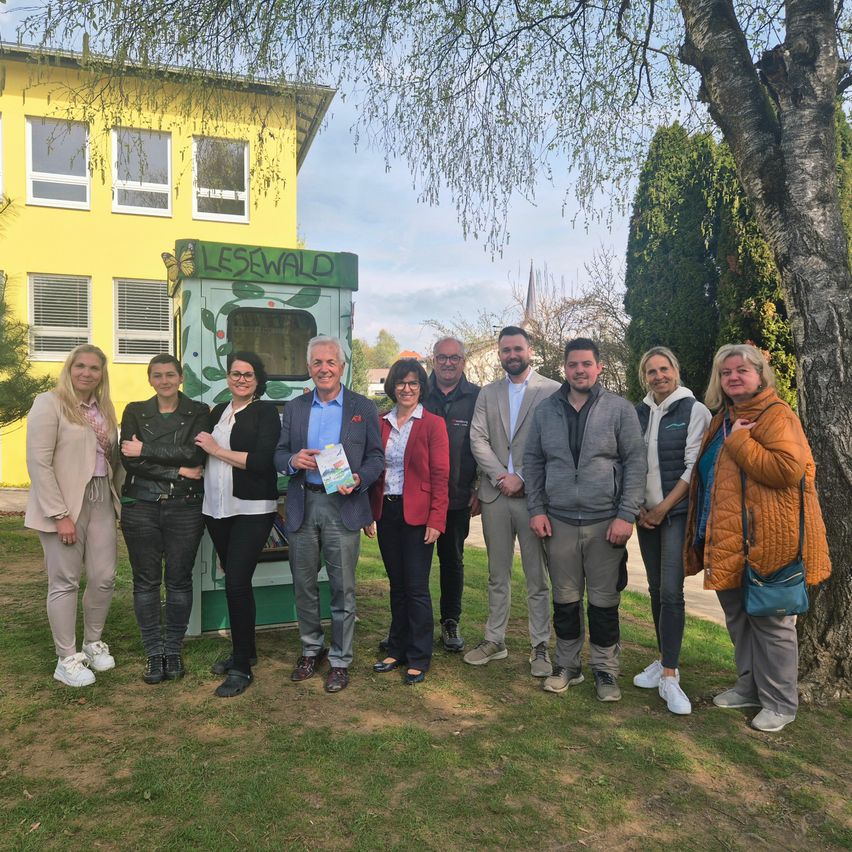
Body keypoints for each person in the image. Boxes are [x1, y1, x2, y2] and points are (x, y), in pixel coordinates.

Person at [684, 343, 831, 732]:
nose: (733, 377)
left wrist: (741, 442)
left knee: (773, 624)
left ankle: (781, 703)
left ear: (760, 375)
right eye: (726, 372)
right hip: (727, 539)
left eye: (741, 370)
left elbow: (787, 470)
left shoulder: (777, 415)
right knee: (739, 619)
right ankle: (749, 687)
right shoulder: (724, 418)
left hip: (768, 540)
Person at [525, 338, 646, 702]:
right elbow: (533, 462)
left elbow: (635, 462)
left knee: (604, 601)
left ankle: (605, 669)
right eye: (573, 364)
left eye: (586, 364)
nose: (580, 370)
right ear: (565, 368)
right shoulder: (546, 411)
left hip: (605, 522)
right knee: (565, 600)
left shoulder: (619, 410)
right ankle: (567, 665)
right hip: (559, 520)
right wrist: (536, 509)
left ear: (599, 367)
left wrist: (626, 515)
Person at [274, 336, 384, 694]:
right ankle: (311, 649)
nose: (324, 368)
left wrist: (360, 478)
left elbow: (376, 458)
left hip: (343, 506)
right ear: (309, 368)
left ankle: (340, 659)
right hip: (303, 503)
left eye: (330, 362)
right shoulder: (295, 408)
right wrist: (293, 460)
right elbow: (279, 454)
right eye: (317, 363)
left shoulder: (363, 407)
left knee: (343, 588)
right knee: (304, 584)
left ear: (342, 367)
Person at [25, 344, 123, 687]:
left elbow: (113, 460)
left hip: (101, 499)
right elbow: (39, 462)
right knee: (65, 581)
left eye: (94, 368)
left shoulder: (104, 408)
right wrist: (59, 514)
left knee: (104, 576)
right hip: (64, 504)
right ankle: (66, 658)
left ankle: (92, 643)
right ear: (69, 368)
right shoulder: (49, 403)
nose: (86, 373)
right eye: (80, 366)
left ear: (101, 374)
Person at [465, 326, 560, 677]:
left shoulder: (552, 391)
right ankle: (495, 640)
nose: (512, 355)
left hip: (534, 498)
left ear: (529, 350)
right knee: (497, 574)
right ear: (499, 354)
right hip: (495, 495)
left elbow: (554, 442)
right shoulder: (487, 393)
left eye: (517, 348)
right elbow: (477, 438)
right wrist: (500, 476)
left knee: (537, 577)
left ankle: (540, 646)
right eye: (506, 350)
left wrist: (521, 475)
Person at [195, 351, 281, 698]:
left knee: (236, 582)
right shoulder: (218, 411)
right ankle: (247, 650)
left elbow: (262, 462)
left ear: (258, 380)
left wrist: (215, 449)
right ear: (228, 377)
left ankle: (241, 666)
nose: (241, 379)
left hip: (252, 508)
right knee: (236, 580)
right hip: (217, 508)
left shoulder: (266, 413)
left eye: (248, 374)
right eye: (235, 373)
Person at [119, 354, 209, 685]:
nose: (164, 380)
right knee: (145, 581)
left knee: (179, 580)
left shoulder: (198, 411)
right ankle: (153, 652)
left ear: (181, 377)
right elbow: (129, 460)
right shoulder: (134, 410)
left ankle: (173, 649)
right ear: (150, 379)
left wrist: (145, 448)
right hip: (140, 505)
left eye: (170, 374)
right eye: (157, 375)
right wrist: (177, 470)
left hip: (184, 506)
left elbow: (195, 454)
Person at [631, 347, 711, 715]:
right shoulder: (639, 412)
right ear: (644, 377)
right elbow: (630, 461)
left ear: (675, 370)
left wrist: (663, 508)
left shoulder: (694, 410)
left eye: (664, 369)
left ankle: (670, 675)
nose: (659, 376)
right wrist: (640, 508)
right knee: (654, 589)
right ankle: (664, 658)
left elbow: (692, 466)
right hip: (645, 516)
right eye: (651, 371)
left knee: (671, 592)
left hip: (675, 514)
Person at [370, 358, 450, 684]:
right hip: (386, 512)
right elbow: (372, 468)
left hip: (418, 516)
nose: (407, 388)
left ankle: (419, 655)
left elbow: (441, 475)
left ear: (421, 387)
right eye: (401, 382)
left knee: (416, 588)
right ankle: (397, 648)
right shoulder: (381, 422)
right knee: (397, 585)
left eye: (413, 382)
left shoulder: (433, 424)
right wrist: (369, 512)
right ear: (393, 386)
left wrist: (437, 519)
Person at [422, 336, 480, 651]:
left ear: (463, 362)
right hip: (420, 497)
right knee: (415, 563)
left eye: (454, 357)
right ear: (434, 360)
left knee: (452, 562)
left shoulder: (477, 398)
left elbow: (485, 444)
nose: (448, 363)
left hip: (457, 497)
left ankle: (450, 621)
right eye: (442, 357)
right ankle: (410, 624)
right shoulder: (419, 392)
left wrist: (479, 486)